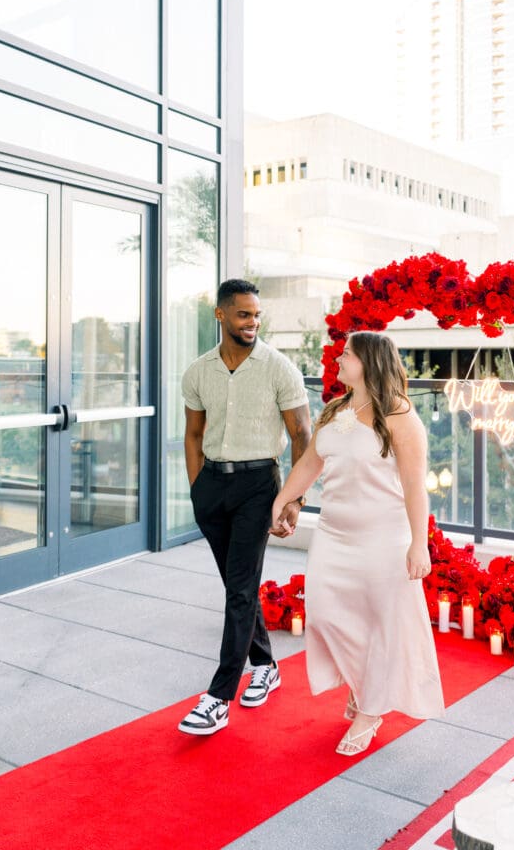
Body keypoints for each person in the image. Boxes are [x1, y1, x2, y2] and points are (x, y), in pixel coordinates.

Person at [271, 330, 444, 755]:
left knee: (381, 624)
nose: (338, 359)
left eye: (346, 354)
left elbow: (414, 486)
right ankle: (363, 684)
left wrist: (418, 544)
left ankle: (370, 709)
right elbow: (311, 463)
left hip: (382, 537)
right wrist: (281, 499)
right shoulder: (335, 409)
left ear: (369, 362)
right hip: (333, 534)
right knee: (325, 616)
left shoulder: (400, 416)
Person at [178, 279, 311, 735]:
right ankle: (266, 666)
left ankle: (218, 698)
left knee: (238, 589)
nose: (252, 322)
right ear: (221, 315)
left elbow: (302, 435)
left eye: (256, 315)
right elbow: (193, 435)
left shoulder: (279, 368)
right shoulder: (198, 372)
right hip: (212, 486)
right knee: (240, 585)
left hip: (259, 486)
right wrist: (198, 490)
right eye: (243, 314)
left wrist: (293, 498)